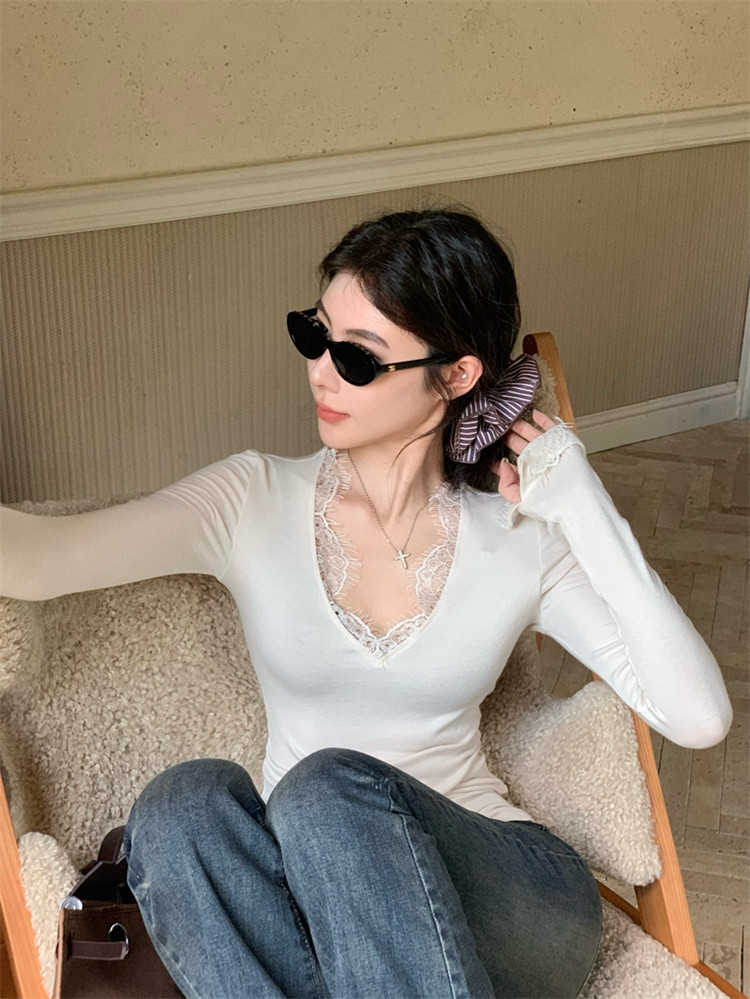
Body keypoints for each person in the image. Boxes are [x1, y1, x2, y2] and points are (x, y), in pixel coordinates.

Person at [1, 208, 732, 999]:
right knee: (179, 802)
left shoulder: (521, 532)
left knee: (325, 789)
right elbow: (42, 559)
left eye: (356, 357)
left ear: (457, 375)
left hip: (509, 900)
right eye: (314, 337)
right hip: (322, 910)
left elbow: (698, 716)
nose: (321, 372)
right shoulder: (252, 500)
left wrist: (585, 507)